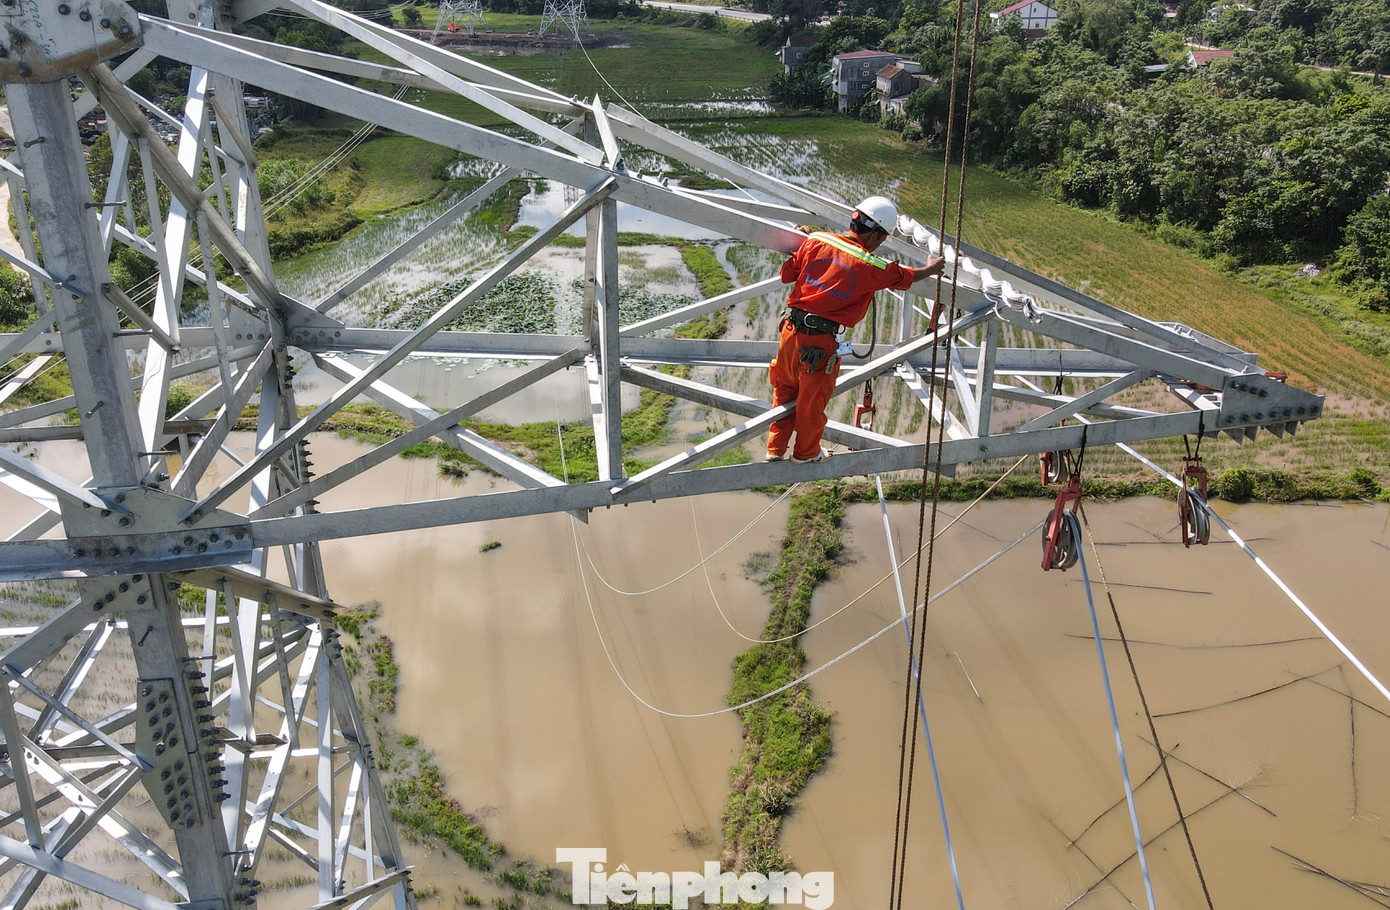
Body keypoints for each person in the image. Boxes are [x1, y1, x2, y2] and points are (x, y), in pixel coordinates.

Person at [767, 196, 946, 464]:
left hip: (789, 331)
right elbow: (904, 276)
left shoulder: (816, 240)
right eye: (882, 239)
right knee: (811, 401)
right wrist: (931, 269)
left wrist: (803, 242)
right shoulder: (868, 264)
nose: (880, 244)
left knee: (785, 390)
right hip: (818, 342)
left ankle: (775, 449)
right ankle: (805, 454)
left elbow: (787, 275)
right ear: (874, 235)